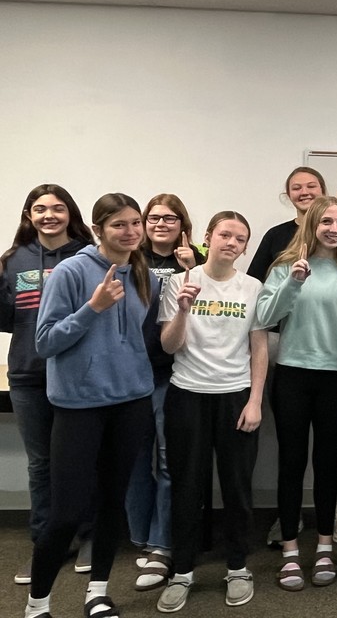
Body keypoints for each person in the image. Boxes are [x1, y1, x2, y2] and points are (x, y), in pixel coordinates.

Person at [27, 193, 159, 618]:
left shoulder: (145, 273)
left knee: (112, 503)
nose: (131, 231)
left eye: (135, 223)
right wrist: (93, 308)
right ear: (98, 229)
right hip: (79, 405)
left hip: (131, 401)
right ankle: (37, 605)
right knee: (66, 513)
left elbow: (138, 338)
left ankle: (97, 593)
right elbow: (45, 342)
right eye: (119, 224)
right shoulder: (70, 272)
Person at [156, 212, 268, 613]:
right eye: (225, 234)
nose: (231, 243)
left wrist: (255, 401)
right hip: (187, 396)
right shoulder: (179, 282)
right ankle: (182, 571)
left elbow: (259, 347)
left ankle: (237, 567)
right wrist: (183, 309)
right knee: (187, 487)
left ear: (245, 247)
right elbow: (169, 346)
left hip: (236, 397)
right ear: (208, 237)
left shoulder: (252, 287)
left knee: (237, 487)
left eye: (240, 238)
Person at [255, 196, 337, 591]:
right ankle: (289, 550)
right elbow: (264, 317)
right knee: (291, 463)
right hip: (293, 375)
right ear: (312, 225)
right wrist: (294, 281)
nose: (334, 229)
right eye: (327, 222)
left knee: (327, 465)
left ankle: (324, 547)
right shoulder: (285, 266)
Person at [1, 184, 94, 586]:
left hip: (77, 373)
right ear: (29, 216)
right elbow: (8, 320)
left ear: (70, 213)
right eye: (39, 209)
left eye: (57, 208)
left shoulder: (88, 256)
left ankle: (89, 535)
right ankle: (46, 542)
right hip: (28, 375)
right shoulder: (13, 259)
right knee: (40, 464)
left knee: (82, 460)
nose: (48, 215)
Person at [128, 193, 206, 591]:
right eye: (154, 218)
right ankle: (139, 537)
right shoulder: (130, 259)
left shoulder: (198, 261)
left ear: (183, 225)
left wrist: (192, 267)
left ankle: (162, 543)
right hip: (128, 374)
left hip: (171, 374)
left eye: (170, 218)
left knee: (167, 460)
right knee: (134, 459)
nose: (161, 224)